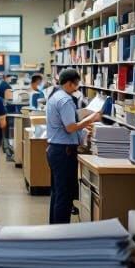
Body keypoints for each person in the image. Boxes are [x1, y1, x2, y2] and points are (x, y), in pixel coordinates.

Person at [45, 68, 103, 225]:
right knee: (65, 194)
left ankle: (55, 227)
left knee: (57, 192)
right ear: (70, 84)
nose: (77, 87)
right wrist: (91, 118)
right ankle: (62, 231)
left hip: (55, 149)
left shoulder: (54, 97)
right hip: (64, 151)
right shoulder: (65, 100)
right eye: (77, 84)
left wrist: (82, 128)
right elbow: (70, 127)